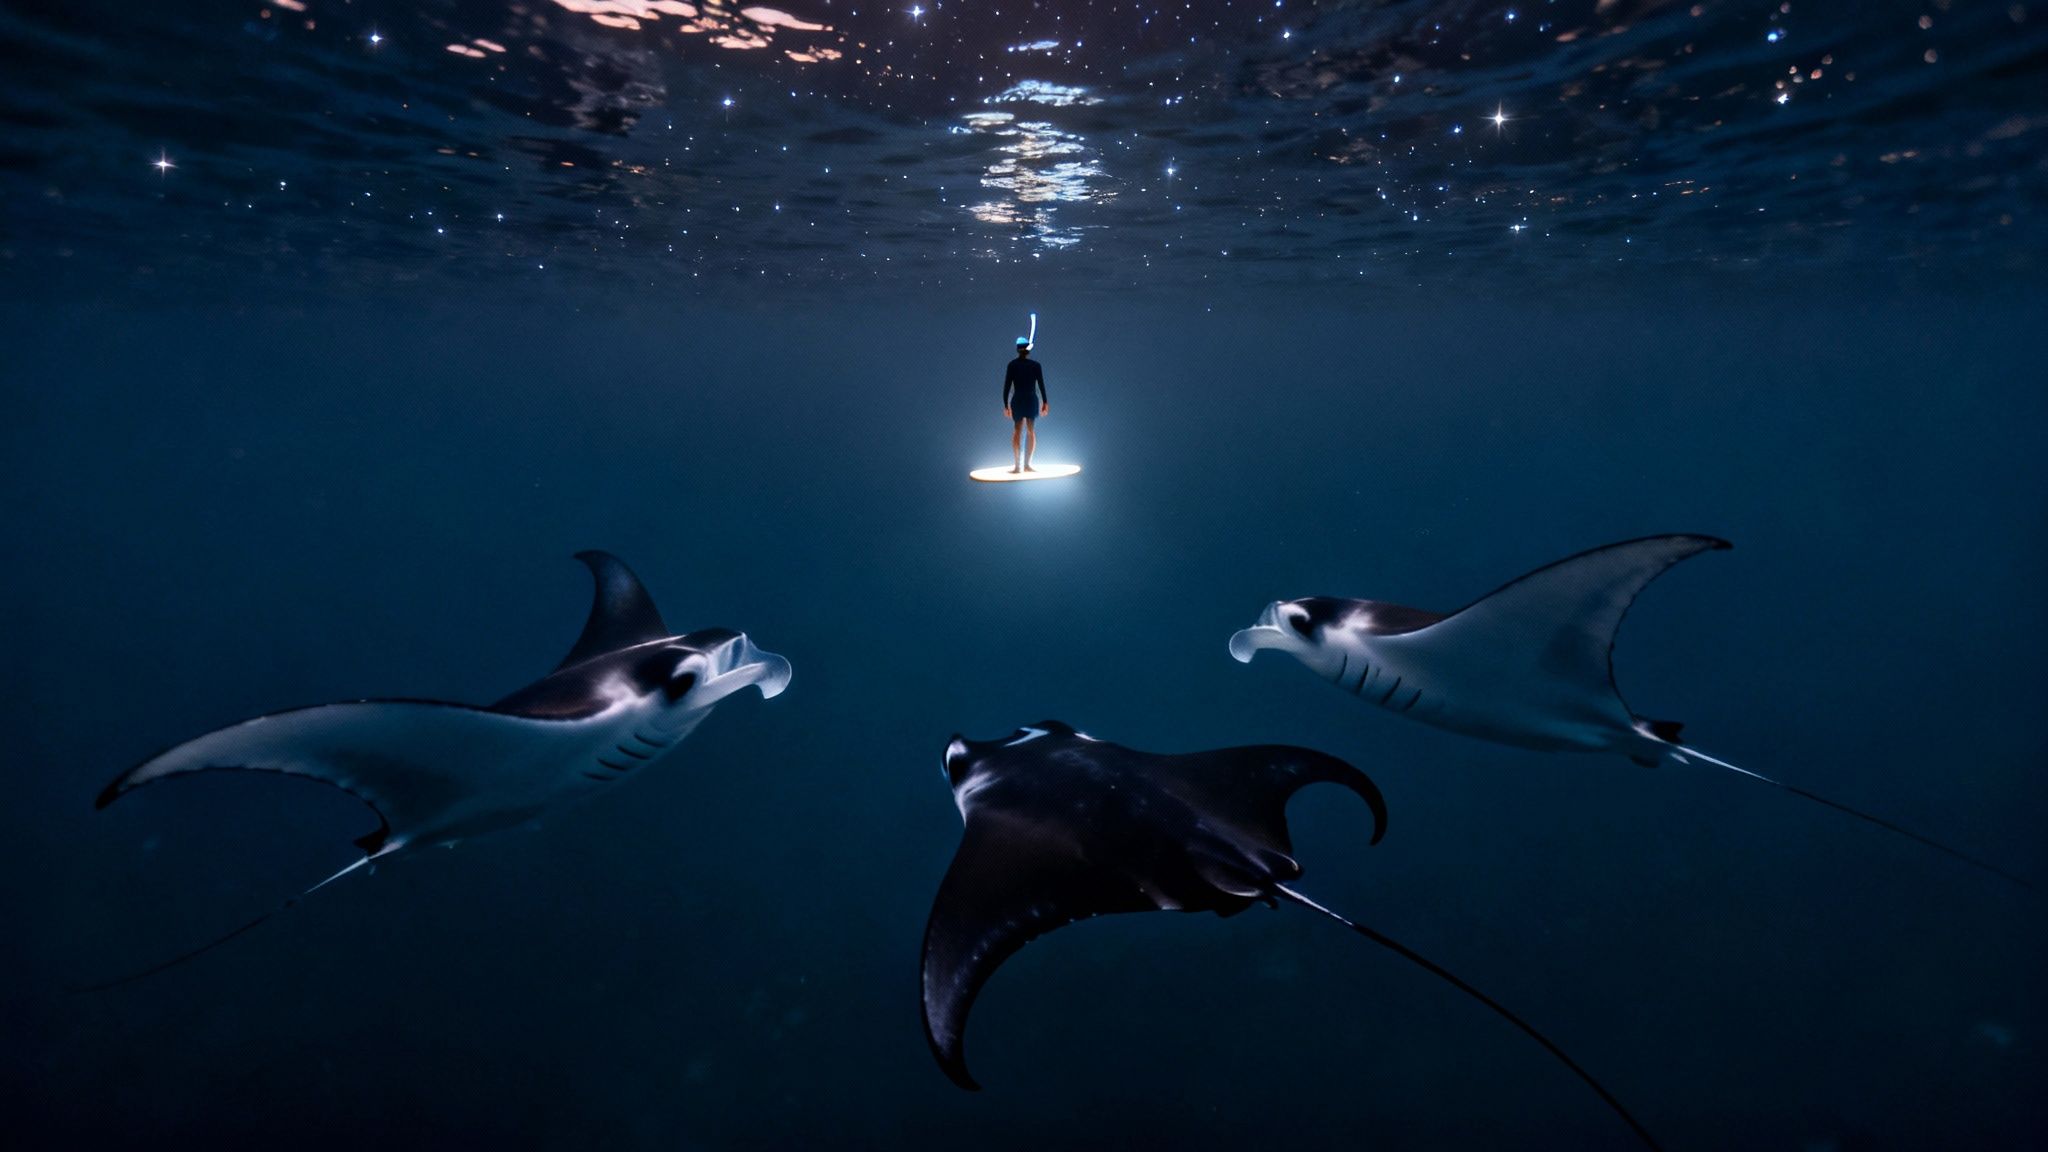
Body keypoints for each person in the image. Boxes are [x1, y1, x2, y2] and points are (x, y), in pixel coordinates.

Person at [1002, 336, 1048, 473]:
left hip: (1021, 399)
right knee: (1028, 430)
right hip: (1028, 399)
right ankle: (1024, 465)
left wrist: (1006, 405)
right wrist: (1045, 401)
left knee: (1020, 430)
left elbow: (1006, 387)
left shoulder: (1013, 365)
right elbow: (1041, 385)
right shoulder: (1034, 365)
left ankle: (1021, 465)